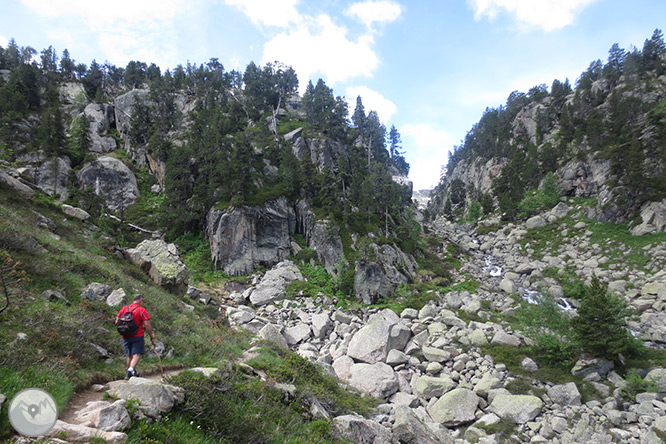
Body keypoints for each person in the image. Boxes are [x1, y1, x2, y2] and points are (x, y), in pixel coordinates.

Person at [115, 294, 155, 379]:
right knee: (137, 354)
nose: (143, 303)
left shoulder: (124, 308)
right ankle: (130, 371)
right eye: (143, 301)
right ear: (140, 301)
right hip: (137, 335)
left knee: (129, 355)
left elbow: (117, 321)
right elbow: (147, 324)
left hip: (125, 335)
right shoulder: (141, 310)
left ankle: (131, 372)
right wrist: (151, 334)